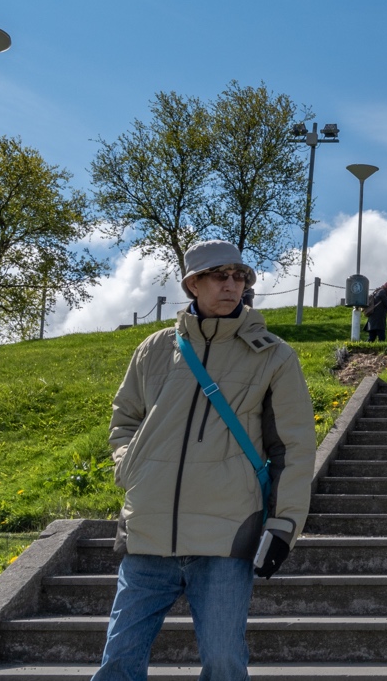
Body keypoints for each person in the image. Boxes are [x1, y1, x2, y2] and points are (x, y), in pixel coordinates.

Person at [95, 239, 313, 681]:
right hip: (148, 533)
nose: (232, 285)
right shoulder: (154, 349)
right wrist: (130, 466)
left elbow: (292, 449)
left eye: (240, 276)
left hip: (226, 536)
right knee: (118, 662)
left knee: (224, 664)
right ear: (193, 284)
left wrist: (285, 525)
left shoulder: (273, 355)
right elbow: (124, 421)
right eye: (220, 275)